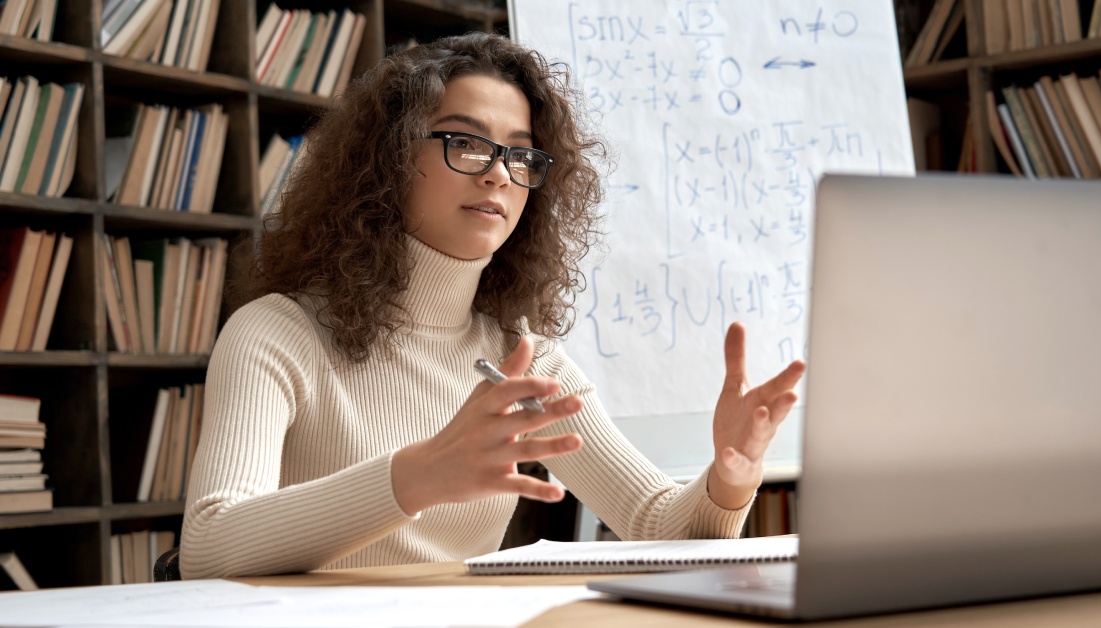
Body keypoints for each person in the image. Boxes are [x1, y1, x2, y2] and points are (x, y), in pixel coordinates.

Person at [180, 32, 806, 579]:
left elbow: (658, 527)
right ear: (390, 158)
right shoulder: (274, 333)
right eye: (467, 142)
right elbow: (209, 545)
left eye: (521, 153)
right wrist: (414, 477)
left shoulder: (523, 358)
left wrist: (731, 477)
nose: (499, 174)